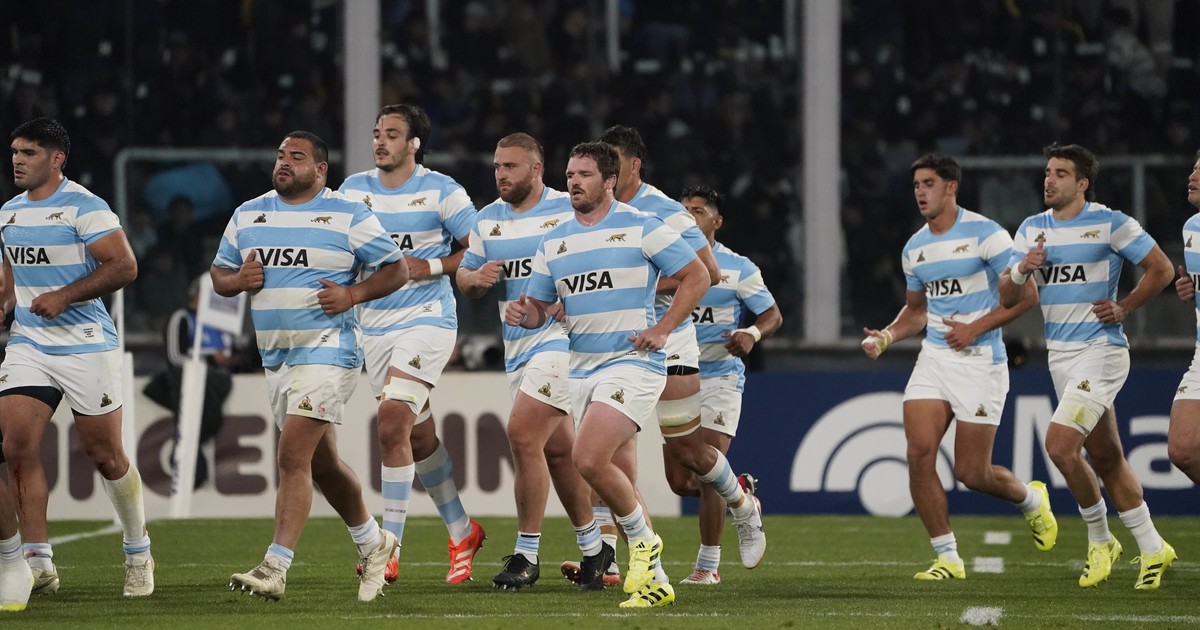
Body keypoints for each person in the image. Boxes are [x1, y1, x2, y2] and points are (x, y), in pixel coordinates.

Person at [506, 141, 705, 608]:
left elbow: (697, 275)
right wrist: (524, 314)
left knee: (588, 457)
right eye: (570, 175)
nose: (574, 182)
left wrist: (663, 328)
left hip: (633, 364)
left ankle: (645, 543)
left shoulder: (641, 226)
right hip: (581, 369)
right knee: (613, 473)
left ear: (610, 180)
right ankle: (655, 581)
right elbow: (540, 309)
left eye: (585, 175)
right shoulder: (554, 240)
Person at [213, 130, 407, 602]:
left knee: (291, 455)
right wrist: (239, 280)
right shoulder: (248, 213)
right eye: (280, 155)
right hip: (277, 357)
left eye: (296, 157)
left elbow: (396, 269)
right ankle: (374, 543)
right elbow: (219, 275)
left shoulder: (348, 214)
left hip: (328, 352)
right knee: (322, 465)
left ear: (321, 169)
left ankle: (275, 566)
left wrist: (353, 294)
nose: (284, 162)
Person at [861, 153, 1056, 581]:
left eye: (928, 184)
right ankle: (947, 557)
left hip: (981, 362)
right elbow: (917, 310)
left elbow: (1026, 297)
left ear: (951, 187)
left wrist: (974, 329)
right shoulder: (915, 248)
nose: (920, 192)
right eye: (916, 185)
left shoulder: (988, 235)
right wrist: (887, 336)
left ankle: (1030, 500)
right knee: (918, 453)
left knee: (972, 472)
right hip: (934, 358)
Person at [999, 143, 1176, 589]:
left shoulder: (1110, 223)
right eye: (1047, 171)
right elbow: (1007, 296)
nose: (1049, 179)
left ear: (1082, 183)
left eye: (1060, 173)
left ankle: (1100, 540)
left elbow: (1161, 269)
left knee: (1059, 446)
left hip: (1101, 350)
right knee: (1105, 456)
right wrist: (1022, 269)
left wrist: (1125, 306)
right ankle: (1154, 547)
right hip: (1060, 356)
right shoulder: (1031, 229)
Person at [596, 125, 764, 580]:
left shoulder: (666, 211)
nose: (605, 170)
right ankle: (607, 558)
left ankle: (742, 503)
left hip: (670, 341)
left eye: (613, 160)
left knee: (689, 453)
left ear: (634, 165)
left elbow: (707, 271)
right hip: (616, 345)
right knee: (601, 450)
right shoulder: (598, 212)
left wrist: (644, 288)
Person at [0, 117, 152, 597]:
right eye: (15, 151)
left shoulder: (86, 207)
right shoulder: (9, 212)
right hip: (29, 344)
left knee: (105, 456)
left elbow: (124, 265)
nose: (17, 160)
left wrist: (64, 296)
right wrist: (5, 300)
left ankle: (138, 550)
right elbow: (12, 271)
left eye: (28, 153)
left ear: (56, 159)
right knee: (16, 447)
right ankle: (38, 561)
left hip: (86, 343)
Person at [338, 104, 485, 585]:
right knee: (416, 438)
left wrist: (434, 266)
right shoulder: (352, 191)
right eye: (376, 133)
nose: (380, 142)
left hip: (427, 319)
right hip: (374, 327)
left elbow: (480, 246)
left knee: (390, 422)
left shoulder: (442, 190)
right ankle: (462, 531)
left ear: (414, 144)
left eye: (392, 134)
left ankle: (388, 548)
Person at [456, 133, 600, 590]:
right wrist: (476, 279)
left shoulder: (565, 211)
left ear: (536, 170)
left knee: (521, 433)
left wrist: (571, 301)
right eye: (497, 166)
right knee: (558, 452)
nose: (501, 174)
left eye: (511, 166)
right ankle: (596, 550)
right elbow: (465, 277)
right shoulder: (487, 219)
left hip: (561, 342)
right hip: (517, 348)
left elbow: (595, 262)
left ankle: (527, 554)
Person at [672, 184, 782, 584]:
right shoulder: (664, 262)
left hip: (720, 375)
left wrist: (751, 333)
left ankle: (708, 566)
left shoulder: (738, 268)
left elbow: (772, 315)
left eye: (698, 211)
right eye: (684, 210)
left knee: (706, 474)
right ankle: (738, 489)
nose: (689, 217)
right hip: (677, 375)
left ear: (716, 221)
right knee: (680, 480)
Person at [145, 275, 236, 490]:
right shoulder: (181, 318)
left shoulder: (219, 325)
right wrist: (210, 359)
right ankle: (190, 455)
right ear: (195, 297)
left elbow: (230, 355)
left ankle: (193, 447)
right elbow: (175, 357)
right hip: (188, 381)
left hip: (217, 381)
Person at [1168, 152, 1200, 483]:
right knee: (1182, 449)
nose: (1192, 176)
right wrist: (1191, 290)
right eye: (1193, 169)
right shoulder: (1191, 228)